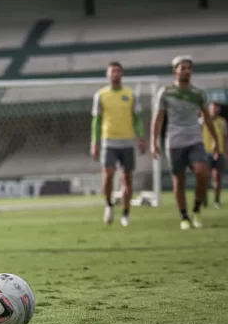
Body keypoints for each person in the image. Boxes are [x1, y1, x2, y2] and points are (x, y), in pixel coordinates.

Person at [152, 56, 219, 230]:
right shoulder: (166, 92)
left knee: (203, 173)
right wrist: (153, 142)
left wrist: (215, 140)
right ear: (175, 71)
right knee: (179, 180)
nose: (187, 71)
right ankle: (184, 217)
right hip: (174, 142)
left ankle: (196, 210)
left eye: (189, 68)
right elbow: (158, 119)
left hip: (195, 140)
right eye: (183, 68)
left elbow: (208, 119)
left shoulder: (198, 93)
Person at [91, 61, 146, 227]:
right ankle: (109, 204)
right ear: (107, 75)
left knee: (127, 179)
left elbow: (137, 119)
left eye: (118, 71)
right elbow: (96, 121)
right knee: (108, 174)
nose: (115, 74)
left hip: (127, 142)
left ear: (122, 74)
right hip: (109, 141)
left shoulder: (130, 94)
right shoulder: (100, 95)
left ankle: (126, 214)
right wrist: (95, 142)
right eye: (112, 71)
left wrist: (141, 137)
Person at [201, 101, 227, 209]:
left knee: (217, 177)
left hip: (219, 152)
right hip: (205, 152)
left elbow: (225, 138)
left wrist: (226, 152)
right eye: (213, 107)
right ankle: (204, 201)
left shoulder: (223, 122)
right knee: (205, 178)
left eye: (217, 107)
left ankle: (216, 201)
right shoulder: (202, 121)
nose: (215, 109)